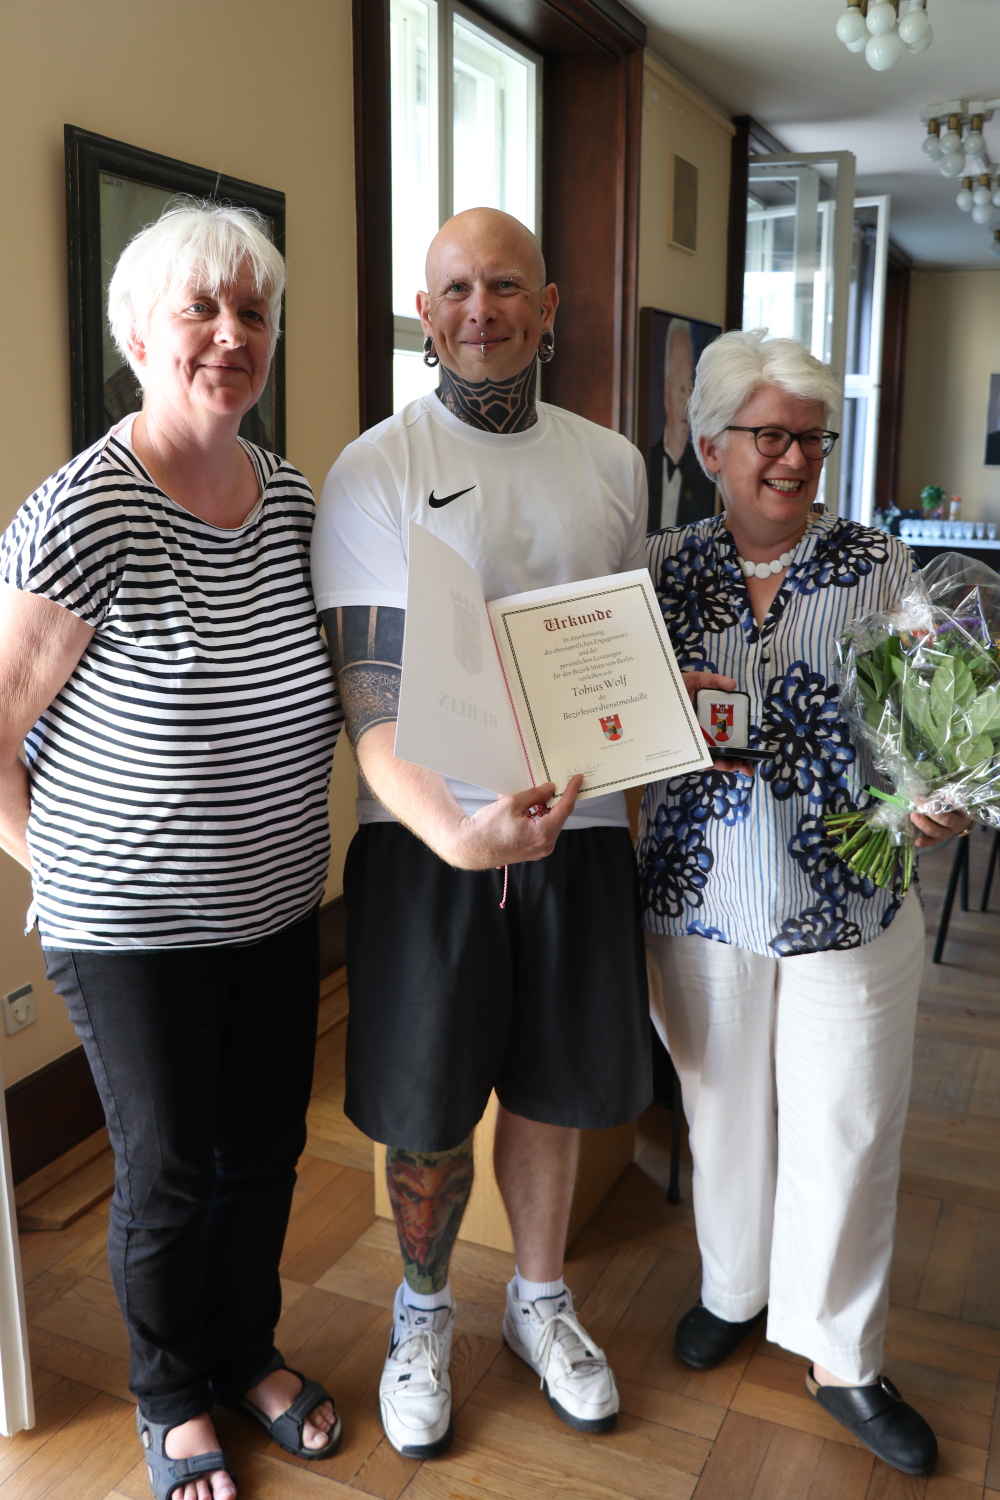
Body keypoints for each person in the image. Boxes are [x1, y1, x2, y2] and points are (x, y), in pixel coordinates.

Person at [0, 201, 342, 1500]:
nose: (231, 334)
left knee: (264, 1151)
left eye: (252, 312)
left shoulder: (293, 496)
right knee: (169, 1170)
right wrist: (67, 869)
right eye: (201, 308)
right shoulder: (86, 509)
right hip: (128, 925)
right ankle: (166, 1392)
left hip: (271, 903)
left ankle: (242, 1352)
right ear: (138, 332)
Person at [312, 206, 652, 1458]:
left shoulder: (613, 464)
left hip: (583, 825)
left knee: (559, 1089)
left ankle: (539, 1302)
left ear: (549, 307)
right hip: (429, 842)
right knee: (426, 1099)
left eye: (504, 286)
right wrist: (459, 834)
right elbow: (373, 703)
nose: (478, 310)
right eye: (453, 288)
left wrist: (618, 803)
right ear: (424, 310)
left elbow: (623, 659)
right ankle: (421, 1316)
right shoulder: (374, 468)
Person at [639, 328, 970, 1478]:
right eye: (769, 435)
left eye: (810, 439)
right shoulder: (656, 568)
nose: (792, 459)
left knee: (844, 1125)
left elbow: (934, 729)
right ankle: (732, 1291)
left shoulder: (876, 564)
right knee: (720, 1109)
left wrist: (943, 797)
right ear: (710, 445)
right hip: (697, 891)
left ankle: (841, 1356)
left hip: (849, 894)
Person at [647, 318, 717, 529]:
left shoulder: (706, 473)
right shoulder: (642, 467)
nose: (688, 404)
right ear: (666, 391)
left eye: (691, 390)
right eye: (681, 390)